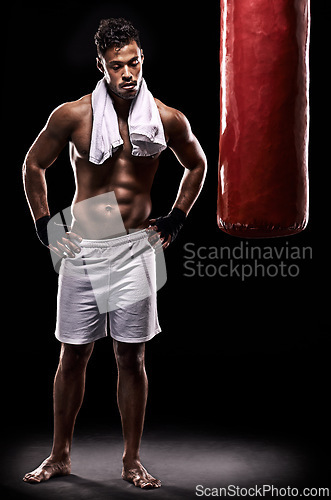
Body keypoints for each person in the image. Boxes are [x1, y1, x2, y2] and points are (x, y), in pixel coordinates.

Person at [22, 17, 207, 489]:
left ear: (142, 58)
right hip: (84, 244)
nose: (129, 74)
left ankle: (131, 461)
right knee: (73, 356)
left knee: (132, 358)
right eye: (118, 65)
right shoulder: (74, 115)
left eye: (135, 62)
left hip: (134, 246)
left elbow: (197, 163)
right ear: (102, 66)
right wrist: (45, 223)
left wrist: (177, 216)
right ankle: (60, 454)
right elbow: (34, 164)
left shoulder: (167, 118)